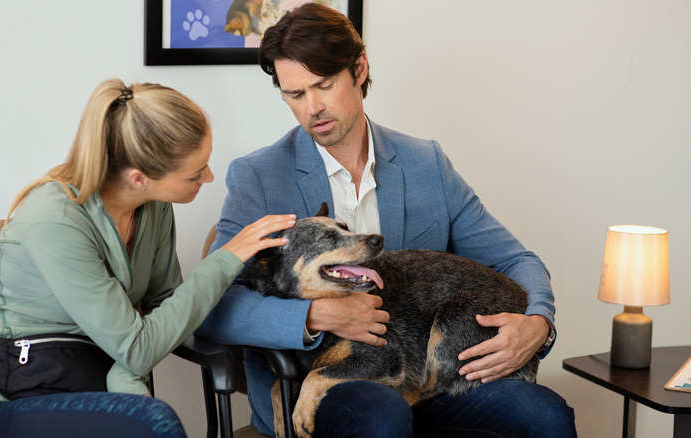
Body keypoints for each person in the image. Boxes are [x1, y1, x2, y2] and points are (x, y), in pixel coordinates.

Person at [197, 4, 577, 437]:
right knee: (381, 414)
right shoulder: (258, 176)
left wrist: (539, 323)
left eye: (324, 85)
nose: (312, 109)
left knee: (546, 415)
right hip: (311, 385)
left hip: (425, 382)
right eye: (295, 95)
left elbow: (516, 260)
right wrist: (315, 316)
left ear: (359, 68)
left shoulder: (425, 163)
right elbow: (213, 305)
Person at [0, 79, 296, 438]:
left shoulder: (153, 207)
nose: (209, 176)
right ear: (139, 178)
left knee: (145, 419)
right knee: (152, 423)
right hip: (1, 403)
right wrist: (226, 258)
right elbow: (138, 347)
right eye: (194, 173)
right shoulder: (53, 218)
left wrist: (125, 374)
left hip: (90, 391)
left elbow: (168, 310)